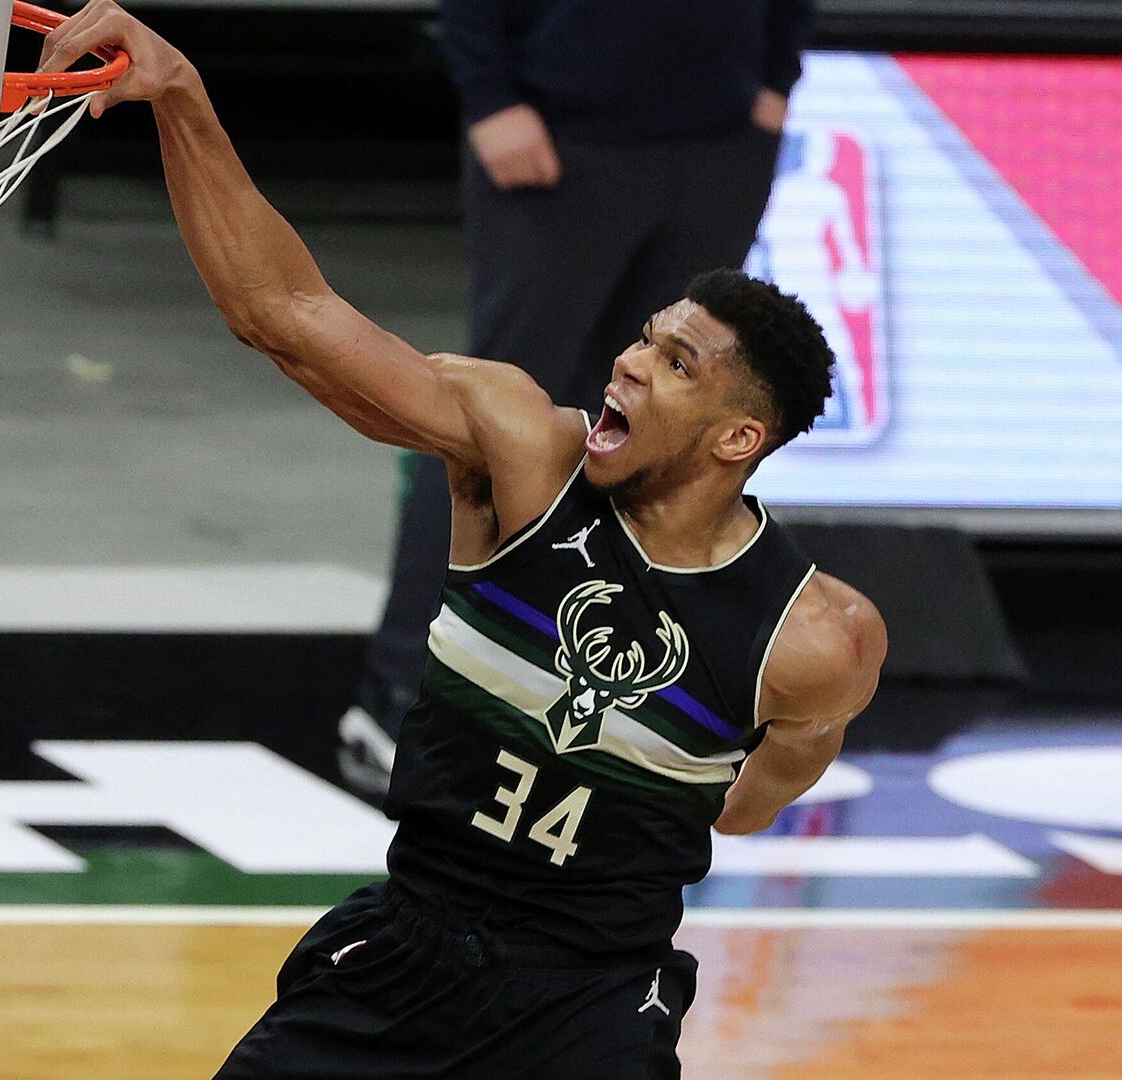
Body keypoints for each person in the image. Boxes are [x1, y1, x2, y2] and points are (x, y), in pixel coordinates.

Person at [42, 6, 882, 1076]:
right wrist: (183, 97)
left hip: (590, 1003)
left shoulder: (816, 638)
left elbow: (750, 806)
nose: (625, 362)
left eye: (674, 363)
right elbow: (283, 310)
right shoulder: (525, 453)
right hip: (403, 956)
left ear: (738, 438)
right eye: (642, 337)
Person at [340, 0, 817, 795]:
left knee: (664, 432)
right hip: (561, 130)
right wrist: (490, 95)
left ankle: (597, 697)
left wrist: (775, 77)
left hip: (720, 138)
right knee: (485, 419)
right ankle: (401, 697)